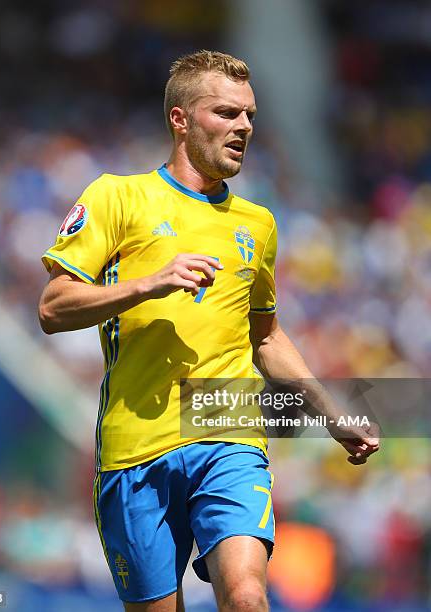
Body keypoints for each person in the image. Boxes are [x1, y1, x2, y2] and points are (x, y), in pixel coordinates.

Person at [38, 50, 379, 612]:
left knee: (246, 594)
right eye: (226, 113)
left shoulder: (258, 224)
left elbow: (266, 338)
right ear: (181, 120)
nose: (243, 126)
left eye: (248, 115)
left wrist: (332, 413)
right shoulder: (117, 197)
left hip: (226, 422)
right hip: (134, 443)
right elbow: (53, 308)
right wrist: (149, 283)